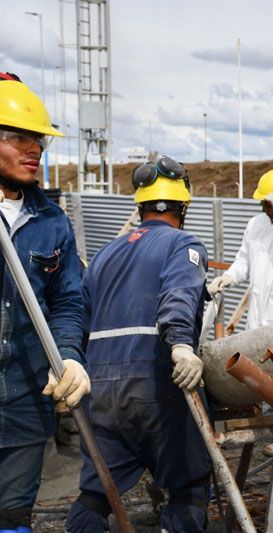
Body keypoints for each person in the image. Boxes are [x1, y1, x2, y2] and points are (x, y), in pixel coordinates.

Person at [65, 156, 212, 532]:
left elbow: (78, 320)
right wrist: (181, 344)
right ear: (183, 207)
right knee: (188, 484)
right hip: (155, 379)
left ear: (140, 206)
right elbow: (178, 295)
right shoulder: (184, 244)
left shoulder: (103, 255)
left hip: (100, 389)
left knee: (98, 491)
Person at [0, 73, 87, 533]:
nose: (35, 149)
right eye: (19, 137)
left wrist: (71, 357)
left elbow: (69, 301)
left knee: (13, 517)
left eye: (40, 140)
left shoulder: (53, 222)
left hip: (24, 402)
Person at [208, 169, 273, 328]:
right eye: (262, 204)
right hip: (256, 318)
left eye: (268, 204)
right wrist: (229, 277)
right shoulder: (256, 224)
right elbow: (244, 261)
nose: (264, 209)